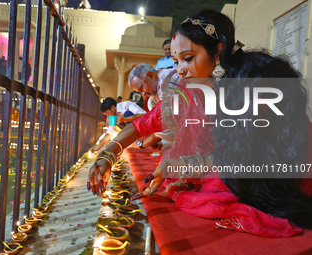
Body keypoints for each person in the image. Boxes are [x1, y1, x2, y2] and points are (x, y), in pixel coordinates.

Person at [88, 10, 312, 237]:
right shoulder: (185, 93)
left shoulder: (250, 86)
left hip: (279, 170)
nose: (180, 69)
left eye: (188, 58)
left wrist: (180, 165)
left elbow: (244, 158)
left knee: (215, 190)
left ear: (217, 52)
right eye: (176, 61)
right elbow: (142, 124)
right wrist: (108, 154)